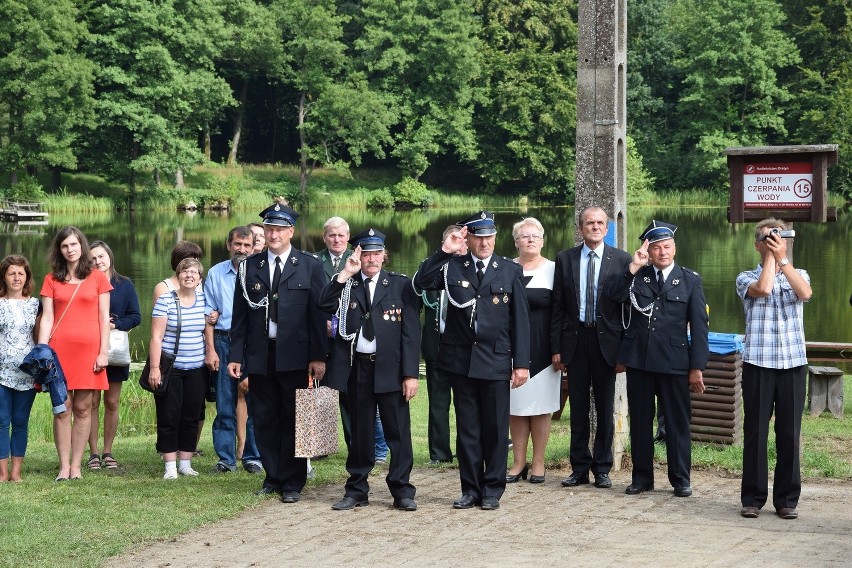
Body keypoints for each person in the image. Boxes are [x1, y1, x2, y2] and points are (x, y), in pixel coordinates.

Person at [414, 211, 530, 511]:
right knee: (467, 428)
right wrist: (446, 249)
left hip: (495, 359)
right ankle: (470, 488)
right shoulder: (454, 266)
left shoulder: (509, 269)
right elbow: (422, 281)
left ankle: (492, 488)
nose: (485, 243)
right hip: (461, 361)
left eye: (490, 236)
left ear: (495, 237)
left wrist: (521, 363)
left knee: (494, 428)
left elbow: (520, 320)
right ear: (470, 238)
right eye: (479, 237)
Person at [228, 203, 326, 503]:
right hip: (260, 354)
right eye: (270, 228)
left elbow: (318, 317)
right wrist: (236, 355)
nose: (274, 234)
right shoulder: (249, 267)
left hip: (296, 355)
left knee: (295, 418)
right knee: (266, 417)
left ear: (291, 232)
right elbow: (240, 316)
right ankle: (273, 476)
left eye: (280, 229)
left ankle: (293, 482)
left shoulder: (309, 266)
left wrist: (318, 356)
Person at [319, 229, 420, 511]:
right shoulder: (347, 285)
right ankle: (356, 489)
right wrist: (343, 275)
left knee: (397, 432)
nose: (371, 259)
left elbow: (411, 333)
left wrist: (410, 374)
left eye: (376, 253)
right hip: (357, 369)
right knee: (360, 432)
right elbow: (323, 304)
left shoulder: (400, 285)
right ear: (357, 256)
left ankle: (402, 490)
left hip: (390, 368)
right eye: (365, 254)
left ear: (384, 255)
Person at [606, 220, 708, 497]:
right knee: (640, 421)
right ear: (648, 251)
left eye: (667, 247)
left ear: (674, 248)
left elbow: (700, 327)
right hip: (639, 361)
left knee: (676, 422)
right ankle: (642, 478)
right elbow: (611, 296)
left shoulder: (690, 280)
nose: (662, 252)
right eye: (656, 248)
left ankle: (680, 478)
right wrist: (633, 266)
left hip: (675, 362)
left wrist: (697, 366)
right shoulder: (638, 276)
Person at [551, 207, 631, 490]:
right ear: (580, 228)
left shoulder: (622, 260)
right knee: (579, 409)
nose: (594, 227)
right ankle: (579, 467)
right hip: (575, 341)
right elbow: (557, 307)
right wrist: (556, 346)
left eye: (599, 223)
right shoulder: (565, 259)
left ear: (607, 228)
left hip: (607, 344)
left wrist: (624, 351)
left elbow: (627, 309)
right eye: (589, 223)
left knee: (605, 407)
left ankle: (603, 467)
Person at [737, 218, 812, 520]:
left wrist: (782, 259)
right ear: (757, 245)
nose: (773, 242)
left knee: (789, 433)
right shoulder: (745, 277)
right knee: (756, 432)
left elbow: (805, 294)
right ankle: (753, 498)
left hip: (793, 363)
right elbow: (764, 288)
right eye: (767, 240)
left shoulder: (799, 273)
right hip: (758, 364)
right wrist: (771, 257)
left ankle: (786, 500)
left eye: (778, 239)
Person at [38, 226, 113, 481]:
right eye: (64, 246)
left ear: (82, 246)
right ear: (59, 250)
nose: (70, 250)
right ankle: (63, 466)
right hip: (59, 352)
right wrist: (41, 351)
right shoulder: (51, 279)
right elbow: (47, 318)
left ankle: (77, 466)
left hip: (89, 351)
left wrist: (104, 352)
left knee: (83, 408)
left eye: (74, 244)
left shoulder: (98, 278)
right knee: (62, 408)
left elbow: (104, 318)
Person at [506, 218, 561, 485]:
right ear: (516, 242)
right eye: (524, 236)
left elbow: (562, 313)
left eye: (535, 236)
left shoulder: (554, 269)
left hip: (544, 350)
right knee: (515, 408)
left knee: (540, 409)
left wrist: (560, 349)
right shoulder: (505, 268)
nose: (530, 240)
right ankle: (518, 462)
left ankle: (538, 462)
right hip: (510, 350)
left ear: (542, 240)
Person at [204, 226, 263, 475]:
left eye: (246, 245)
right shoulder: (215, 273)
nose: (241, 249)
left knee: (256, 402)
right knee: (225, 403)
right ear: (229, 245)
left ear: (253, 247)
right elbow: (208, 316)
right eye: (237, 244)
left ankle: (253, 457)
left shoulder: (261, 272)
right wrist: (211, 350)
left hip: (254, 343)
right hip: (224, 341)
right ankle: (226, 459)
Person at [147, 257, 207, 479]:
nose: (189, 276)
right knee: (168, 415)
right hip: (171, 368)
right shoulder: (166, 300)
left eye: (193, 272)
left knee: (191, 416)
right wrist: (155, 368)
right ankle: (170, 466)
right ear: (178, 277)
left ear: (200, 278)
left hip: (197, 368)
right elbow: (155, 337)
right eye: (184, 272)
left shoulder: (205, 301)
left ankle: (185, 462)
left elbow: (208, 329)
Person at [86, 241, 141, 471]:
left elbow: (136, 317)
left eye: (101, 256)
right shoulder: (85, 284)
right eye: (93, 259)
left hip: (115, 350)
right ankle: (93, 453)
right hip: (89, 349)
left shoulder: (124, 284)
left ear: (109, 256)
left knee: (111, 401)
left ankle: (108, 451)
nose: (98, 262)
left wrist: (114, 324)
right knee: (90, 403)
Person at [414, 225, 463, 466]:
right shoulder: (431, 270)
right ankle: (439, 453)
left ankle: (466, 450)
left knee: (465, 402)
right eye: (451, 242)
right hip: (436, 344)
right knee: (438, 401)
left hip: (462, 348)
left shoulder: (469, 270)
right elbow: (414, 306)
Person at [0, 255, 41, 482]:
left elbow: (41, 337)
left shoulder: (35, 305)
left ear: (27, 278)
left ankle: (16, 473)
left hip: (26, 373)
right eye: (11, 273)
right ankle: (2, 473)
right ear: (4, 277)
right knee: (1, 421)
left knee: (20, 422)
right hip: (0, 373)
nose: (16, 278)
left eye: (21, 273)